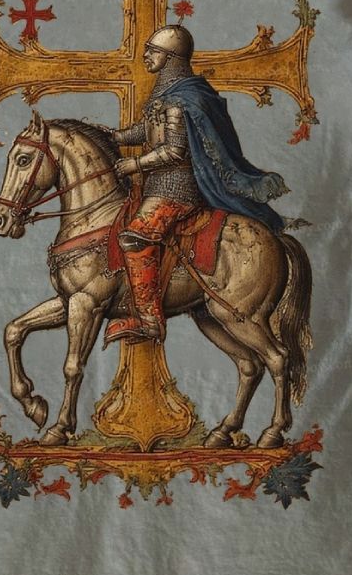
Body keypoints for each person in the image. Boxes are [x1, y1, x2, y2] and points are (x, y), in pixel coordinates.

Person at [102, 24, 289, 345]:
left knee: (135, 237)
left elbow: (174, 151)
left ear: (171, 57)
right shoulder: (166, 93)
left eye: (153, 51)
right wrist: (114, 137)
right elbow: (148, 131)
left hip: (176, 188)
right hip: (155, 186)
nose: (146, 56)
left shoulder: (181, 100)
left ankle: (149, 320)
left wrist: (136, 164)